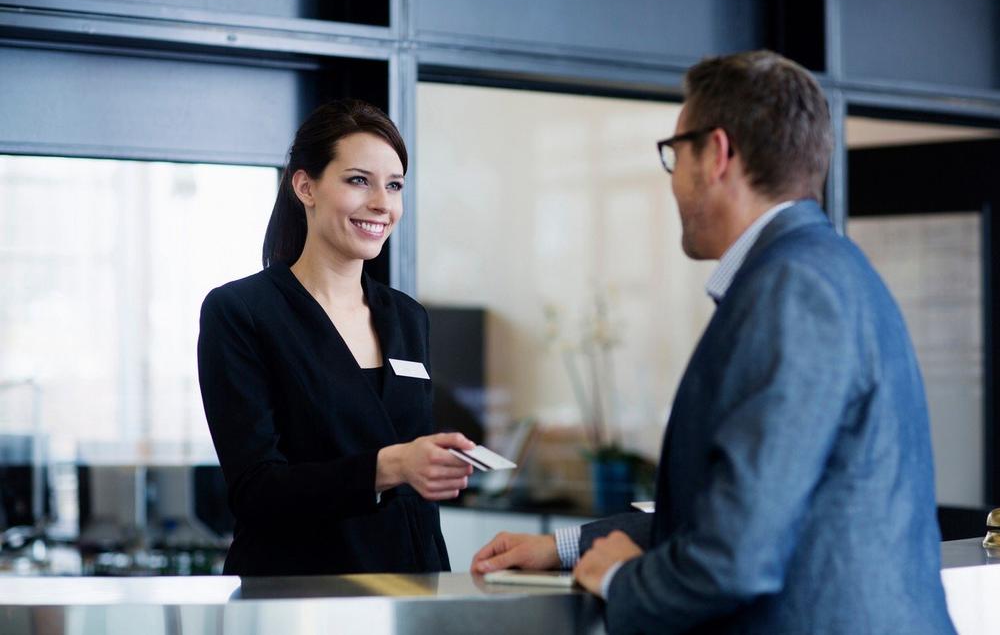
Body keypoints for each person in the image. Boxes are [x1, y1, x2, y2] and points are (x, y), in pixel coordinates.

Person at [471, 51, 956, 634]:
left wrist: (622, 580)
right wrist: (570, 547)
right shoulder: (824, 270)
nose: (672, 180)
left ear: (717, 155)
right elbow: (741, 504)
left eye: (675, 155)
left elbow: (737, 551)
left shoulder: (792, 290)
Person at [198, 99, 475, 576]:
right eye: (358, 180)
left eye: (394, 186)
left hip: (412, 587)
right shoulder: (241, 312)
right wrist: (392, 465)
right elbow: (257, 489)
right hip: (300, 597)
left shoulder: (408, 318)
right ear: (305, 186)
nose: (381, 204)